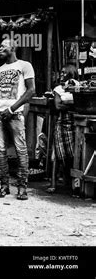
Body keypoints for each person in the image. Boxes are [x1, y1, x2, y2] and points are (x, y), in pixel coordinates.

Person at [0, 38, 35, 200]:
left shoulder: (25, 66)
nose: (0, 48)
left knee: (21, 149)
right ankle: (4, 185)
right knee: (0, 150)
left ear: (13, 48)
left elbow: (31, 91)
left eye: (3, 46)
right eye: (0, 46)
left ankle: (22, 187)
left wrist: (12, 109)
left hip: (15, 112)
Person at [49, 64, 78, 192]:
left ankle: (73, 184)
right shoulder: (58, 89)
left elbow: (77, 103)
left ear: (70, 75)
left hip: (73, 124)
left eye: (63, 73)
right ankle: (54, 184)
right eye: (61, 73)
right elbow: (58, 106)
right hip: (61, 124)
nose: (61, 75)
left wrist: (65, 102)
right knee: (59, 154)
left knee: (73, 154)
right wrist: (71, 105)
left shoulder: (76, 86)